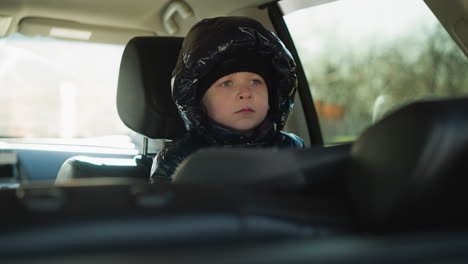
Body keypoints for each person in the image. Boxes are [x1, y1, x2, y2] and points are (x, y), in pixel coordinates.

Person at [150, 16, 304, 183]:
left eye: (255, 81)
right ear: (199, 102)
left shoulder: (291, 148)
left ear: (272, 99)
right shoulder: (179, 158)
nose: (245, 92)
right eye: (226, 83)